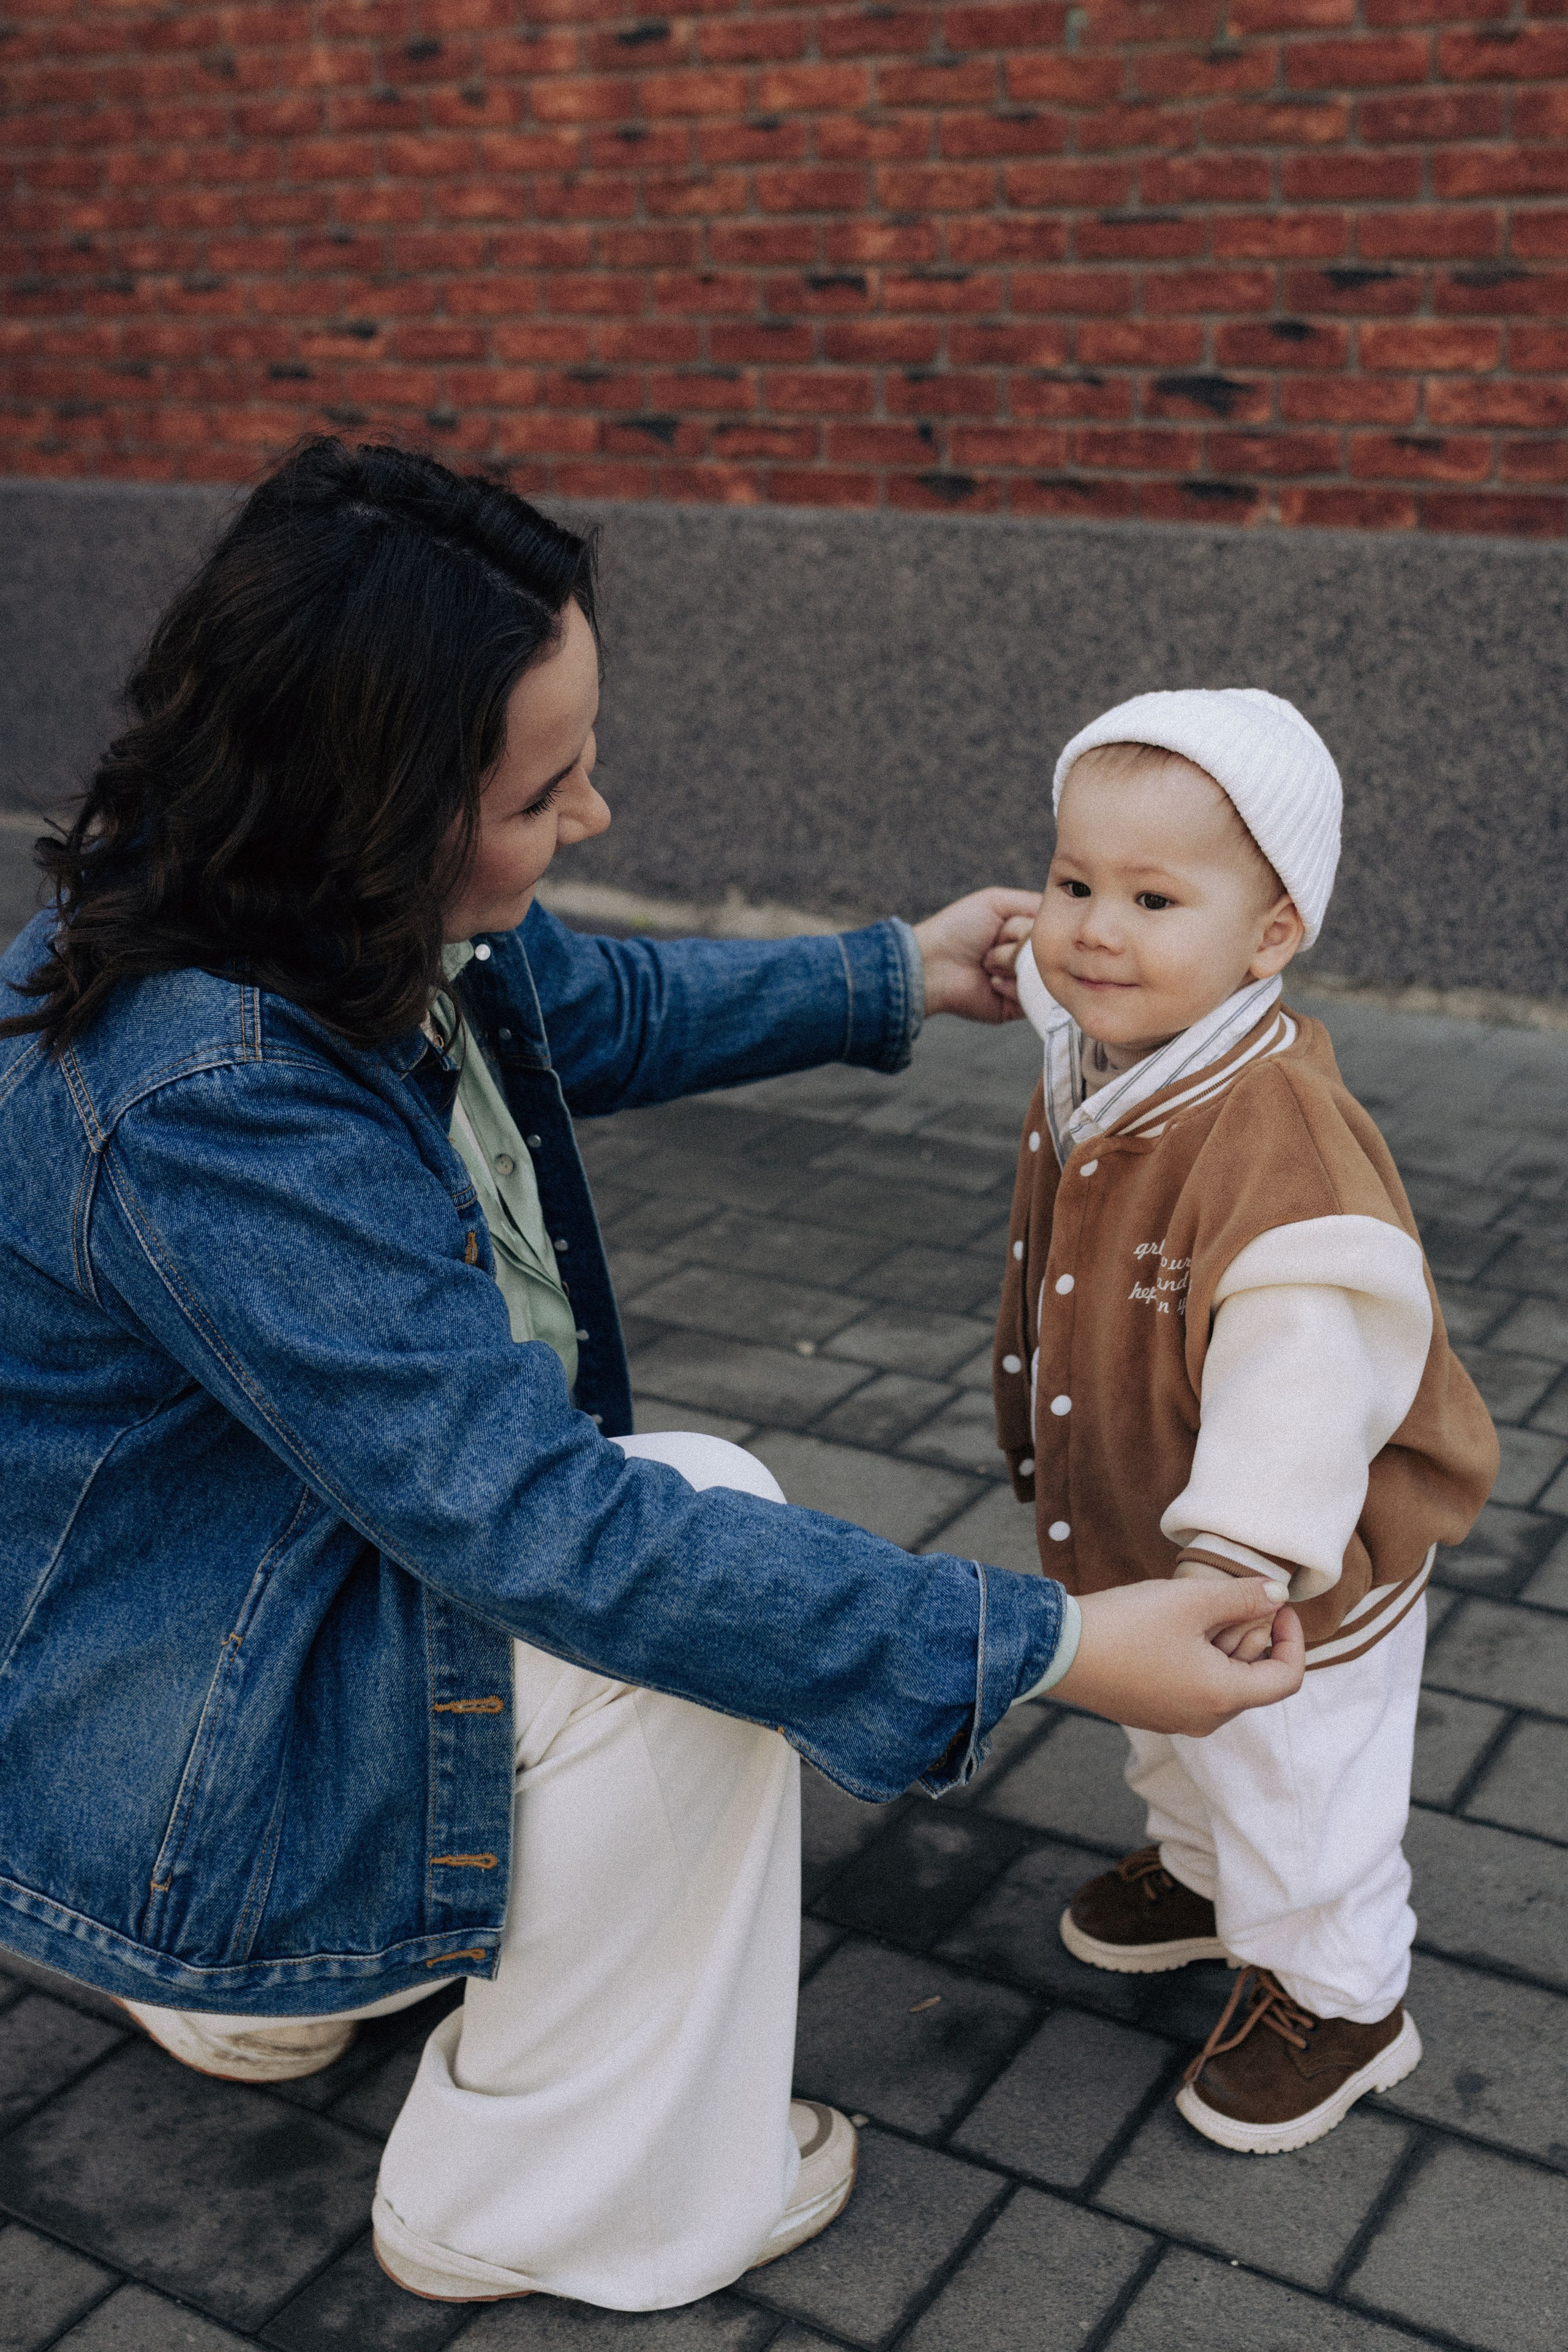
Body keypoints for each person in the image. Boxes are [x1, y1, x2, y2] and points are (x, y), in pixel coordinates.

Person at [0, 444, 1305, 2312]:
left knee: (639, 1556)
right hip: (158, 1758)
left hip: (191, 1638)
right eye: (546, 789)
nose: (597, 813)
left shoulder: (279, 902)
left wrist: (887, 975)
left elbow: (582, 1010)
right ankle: (551, 2191)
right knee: (689, 1565)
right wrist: (1056, 1647)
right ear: (376, 804)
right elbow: (558, 1536)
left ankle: (289, 1983)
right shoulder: (212, 1096)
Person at [987, 687, 1498, 2155]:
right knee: (1171, 1742)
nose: (1092, 929)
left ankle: (1341, 1995)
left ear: (1269, 937)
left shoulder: (1274, 1147)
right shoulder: (1118, 1031)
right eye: (1073, 881)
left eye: (1152, 897)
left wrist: (1238, 1564)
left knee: (1295, 1777)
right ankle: (1205, 1877)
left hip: (1279, 1579)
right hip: (1145, 1537)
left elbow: (1299, 1372)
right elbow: (1049, 980)